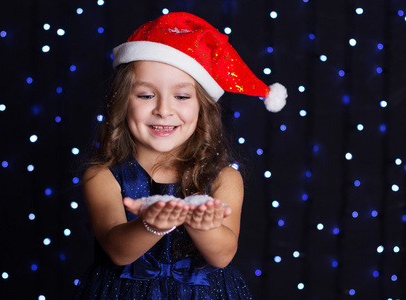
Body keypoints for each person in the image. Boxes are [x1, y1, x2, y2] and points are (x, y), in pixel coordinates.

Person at [75, 12, 287, 299]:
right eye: (146, 95)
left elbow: (223, 256)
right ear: (123, 102)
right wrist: (152, 224)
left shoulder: (224, 177)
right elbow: (118, 251)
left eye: (182, 96)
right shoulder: (102, 175)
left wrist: (202, 226)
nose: (164, 110)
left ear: (203, 108)